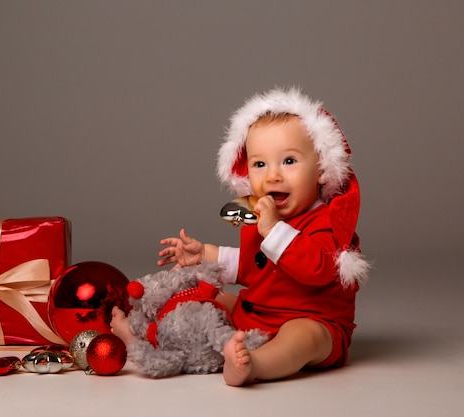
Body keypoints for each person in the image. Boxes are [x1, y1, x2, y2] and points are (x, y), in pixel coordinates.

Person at [111, 87, 370, 386]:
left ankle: (255, 364)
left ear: (322, 169)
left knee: (303, 337)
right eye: (260, 164)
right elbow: (252, 266)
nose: (273, 175)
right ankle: (145, 334)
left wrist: (273, 230)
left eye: (289, 161)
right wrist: (205, 254)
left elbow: (317, 268)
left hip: (314, 321)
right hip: (256, 313)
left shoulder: (328, 221)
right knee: (207, 297)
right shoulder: (261, 217)